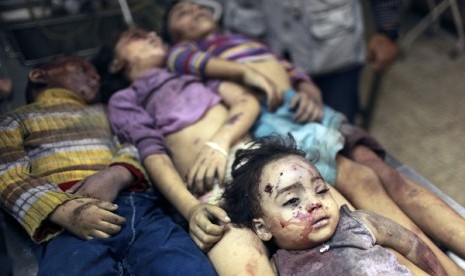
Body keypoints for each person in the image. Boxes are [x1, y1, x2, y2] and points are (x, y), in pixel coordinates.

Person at [163, 1, 465, 274]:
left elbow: (287, 68)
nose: (195, 8)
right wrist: (247, 74)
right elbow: (192, 65)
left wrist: (306, 87)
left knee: (377, 170)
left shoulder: (243, 40)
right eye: (182, 12)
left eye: (197, 5)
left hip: (299, 108)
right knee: (361, 183)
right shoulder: (184, 54)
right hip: (272, 120)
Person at [0, 56, 217, 275]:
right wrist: (64, 210)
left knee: (186, 267)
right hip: (64, 225)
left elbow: (134, 145)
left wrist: (118, 173)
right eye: (82, 68)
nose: (95, 77)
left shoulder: (107, 111)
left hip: (139, 207)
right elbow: (7, 174)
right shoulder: (14, 120)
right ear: (38, 75)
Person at [107, 28, 288, 275]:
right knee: (244, 261)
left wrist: (219, 143)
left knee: (324, 222)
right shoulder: (126, 98)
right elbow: (153, 155)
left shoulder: (192, 75)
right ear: (117, 63)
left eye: (153, 32)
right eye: (134, 36)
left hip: (257, 163)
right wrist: (191, 209)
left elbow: (246, 101)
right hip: (211, 194)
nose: (151, 34)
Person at [222, 135, 447, 276]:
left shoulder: (358, 223)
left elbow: (411, 245)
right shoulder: (279, 267)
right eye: (292, 200)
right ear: (262, 228)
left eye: (320, 190)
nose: (314, 203)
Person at [221, 0, 401, 124]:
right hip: (254, 39)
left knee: (340, 133)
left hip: (332, 47)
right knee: (262, 125)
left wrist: (387, 28)